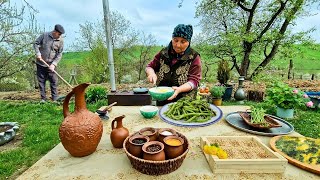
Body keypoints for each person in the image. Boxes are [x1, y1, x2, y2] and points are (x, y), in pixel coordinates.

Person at [146, 24, 202, 105]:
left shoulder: (194, 57)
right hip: (162, 100)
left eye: (183, 41)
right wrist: (151, 73)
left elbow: (194, 81)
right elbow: (150, 66)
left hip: (184, 102)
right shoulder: (163, 53)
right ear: (172, 38)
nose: (178, 45)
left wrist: (179, 89)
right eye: (175, 40)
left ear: (188, 42)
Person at [33, 24, 65, 102]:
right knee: (41, 81)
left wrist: (54, 64)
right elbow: (35, 43)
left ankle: (55, 99)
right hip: (41, 63)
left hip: (51, 65)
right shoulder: (45, 35)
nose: (60, 36)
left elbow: (59, 53)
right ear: (54, 32)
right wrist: (38, 53)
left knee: (54, 81)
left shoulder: (61, 41)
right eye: (59, 34)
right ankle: (43, 99)